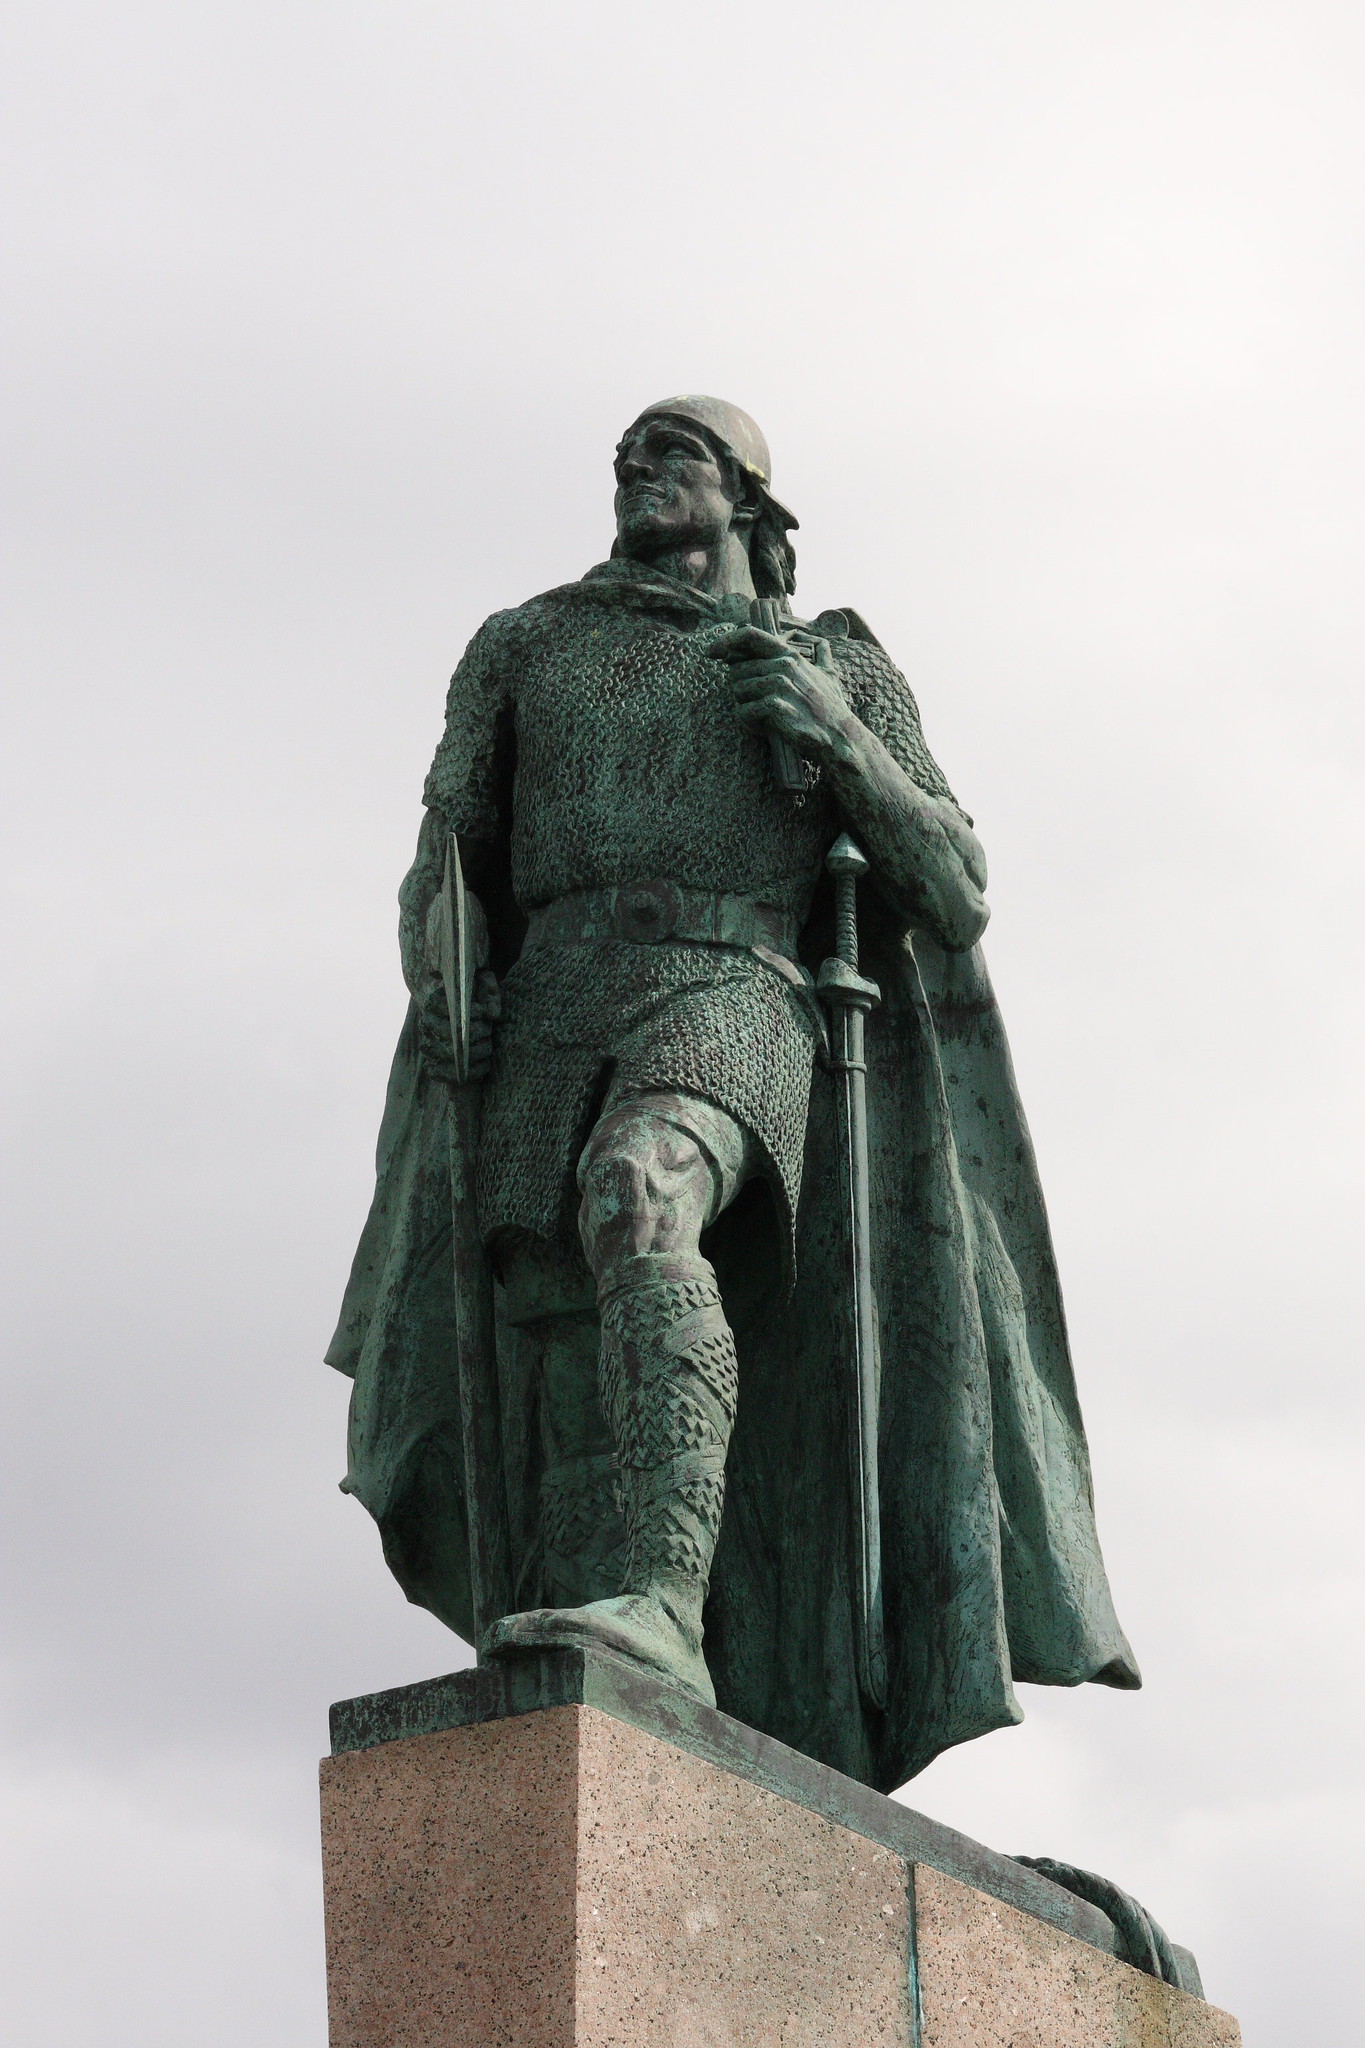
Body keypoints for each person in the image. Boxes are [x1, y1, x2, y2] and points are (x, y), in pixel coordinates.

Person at [328, 396, 1139, 1793]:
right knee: (564, 1353)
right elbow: (446, 852)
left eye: (673, 452)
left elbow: (953, 887)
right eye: (626, 457)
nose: (638, 470)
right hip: (554, 1002)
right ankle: (614, 1649)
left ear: (750, 497)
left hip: (733, 982)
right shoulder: (525, 643)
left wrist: (842, 739)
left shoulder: (833, 663)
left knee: (639, 1188)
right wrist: (440, 963)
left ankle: (663, 1604)